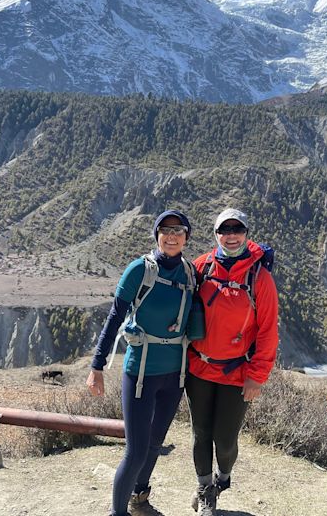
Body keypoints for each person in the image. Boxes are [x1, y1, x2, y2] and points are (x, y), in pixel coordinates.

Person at [87, 209, 196, 516]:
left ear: (187, 237)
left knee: (154, 444)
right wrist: (97, 366)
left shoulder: (190, 273)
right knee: (135, 452)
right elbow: (114, 318)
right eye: (165, 230)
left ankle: (139, 497)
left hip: (175, 375)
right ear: (157, 235)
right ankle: (117, 513)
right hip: (141, 373)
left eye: (178, 230)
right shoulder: (139, 269)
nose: (171, 236)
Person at [186, 208, 279, 516]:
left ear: (246, 234)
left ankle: (222, 476)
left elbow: (267, 330)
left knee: (225, 439)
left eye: (237, 229)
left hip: (236, 372)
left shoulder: (259, 277)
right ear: (216, 235)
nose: (231, 235)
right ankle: (205, 490)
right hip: (199, 367)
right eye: (225, 230)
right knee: (201, 433)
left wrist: (257, 376)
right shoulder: (201, 267)